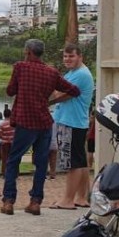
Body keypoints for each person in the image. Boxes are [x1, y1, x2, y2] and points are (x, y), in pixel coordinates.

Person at [1, 39, 79, 216]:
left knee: (14, 160)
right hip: (44, 123)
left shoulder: (20, 67)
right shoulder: (51, 72)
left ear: (28, 51)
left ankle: (8, 201)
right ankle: (35, 202)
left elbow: (10, 91)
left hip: (25, 122)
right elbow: (74, 91)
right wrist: (50, 100)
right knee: (41, 163)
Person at [49, 43, 95, 211]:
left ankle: (67, 200)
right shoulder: (73, 73)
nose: (67, 59)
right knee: (80, 161)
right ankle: (81, 197)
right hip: (75, 121)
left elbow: (60, 95)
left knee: (73, 163)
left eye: (71, 56)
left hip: (71, 122)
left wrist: (50, 93)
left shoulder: (80, 75)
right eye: (65, 56)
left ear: (80, 57)